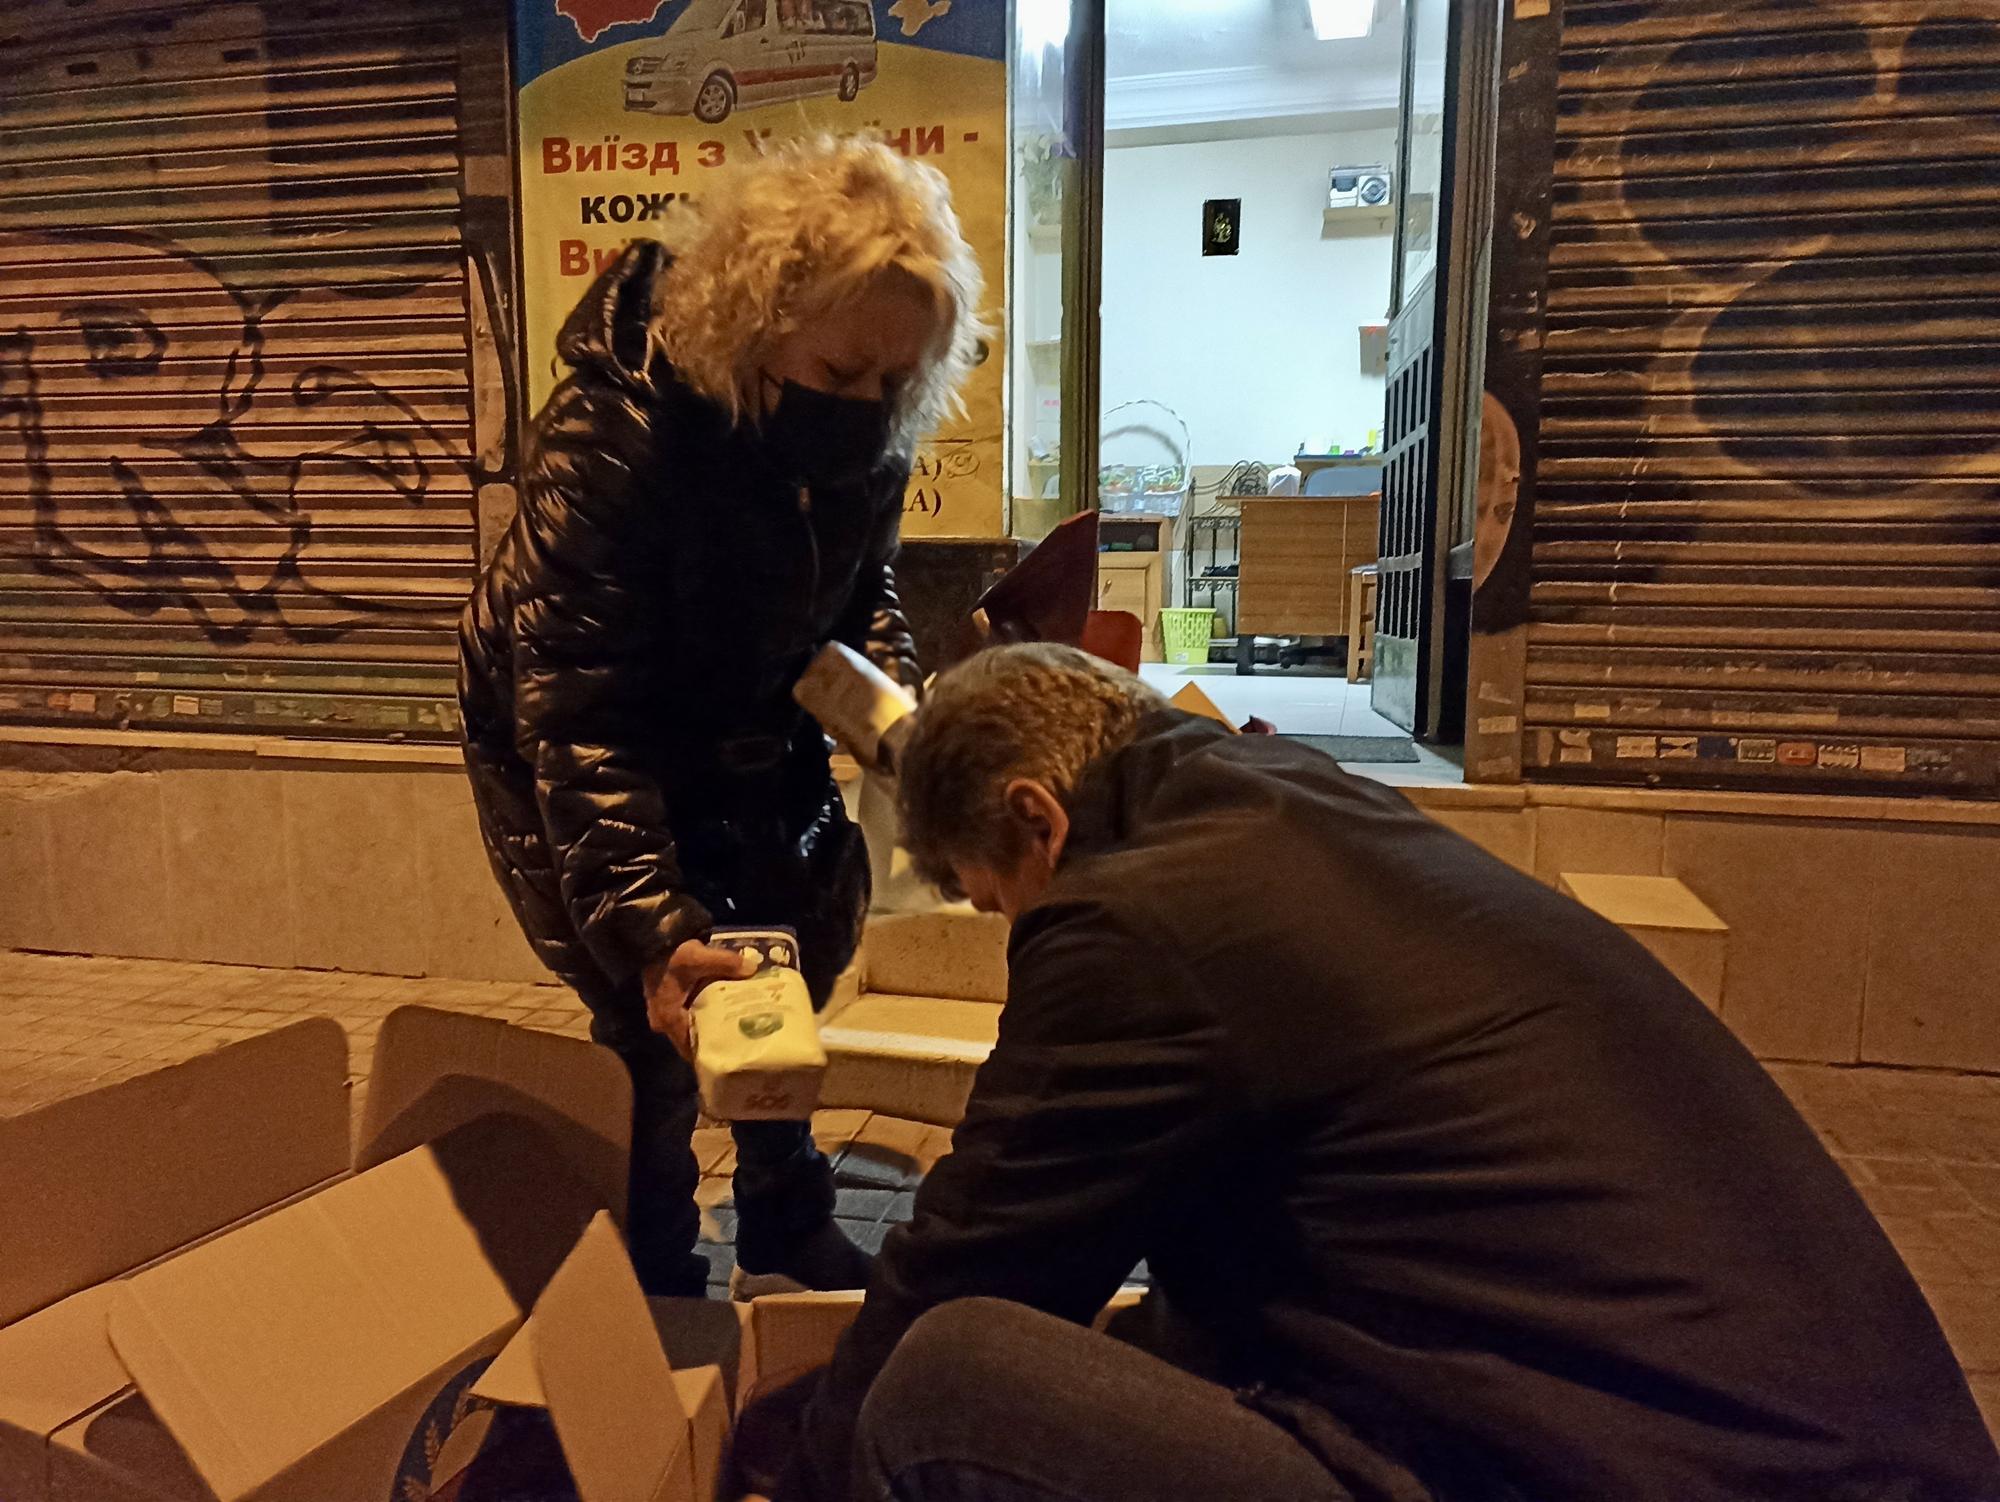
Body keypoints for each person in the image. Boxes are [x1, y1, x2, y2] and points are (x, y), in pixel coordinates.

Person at [758, 644, 2000, 1502]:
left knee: (947, 1382)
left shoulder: (1135, 917)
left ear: (1039, 820)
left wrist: (800, 1474)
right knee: (1135, 1338)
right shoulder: (1285, 800)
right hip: (1805, 1449)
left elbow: (975, 1252)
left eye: (995, 900)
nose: (1008, 929)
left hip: (1645, 1468)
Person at [457, 136, 983, 1297]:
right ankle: (643, 1266)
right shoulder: (617, 436)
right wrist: (650, 928)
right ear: (756, 323)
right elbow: (579, 713)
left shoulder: (864, 434)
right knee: (664, 1017)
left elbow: (858, 598)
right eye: (842, 372)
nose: (868, 408)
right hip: (579, 734)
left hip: (745, 713)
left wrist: (899, 729)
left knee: (787, 960)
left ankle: (782, 1217)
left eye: (897, 382)